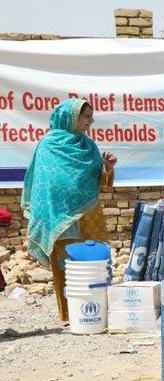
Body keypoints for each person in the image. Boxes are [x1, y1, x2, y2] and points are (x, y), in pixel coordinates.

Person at [20, 98, 117, 321]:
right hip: (59, 216)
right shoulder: (48, 145)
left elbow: (100, 179)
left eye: (91, 116)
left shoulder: (88, 145)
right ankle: (69, 314)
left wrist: (108, 169)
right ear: (70, 118)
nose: (90, 121)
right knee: (66, 266)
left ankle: (97, 310)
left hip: (88, 213)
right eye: (85, 116)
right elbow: (43, 185)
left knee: (94, 261)